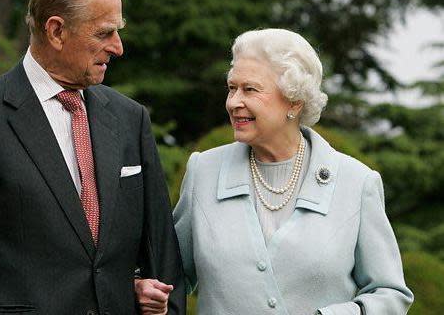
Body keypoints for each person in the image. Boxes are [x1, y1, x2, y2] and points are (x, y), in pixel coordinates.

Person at [0, 0, 185, 315]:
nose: (118, 48)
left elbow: (162, 256)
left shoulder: (130, 119)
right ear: (57, 31)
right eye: (104, 33)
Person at [136, 29, 413, 314]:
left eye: (250, 89)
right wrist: (147, 290)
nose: (233, 102)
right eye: (232, 88)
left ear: (294, 101)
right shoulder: (203, 171)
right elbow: (169, 276)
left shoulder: (357, 183)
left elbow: (390, 294)